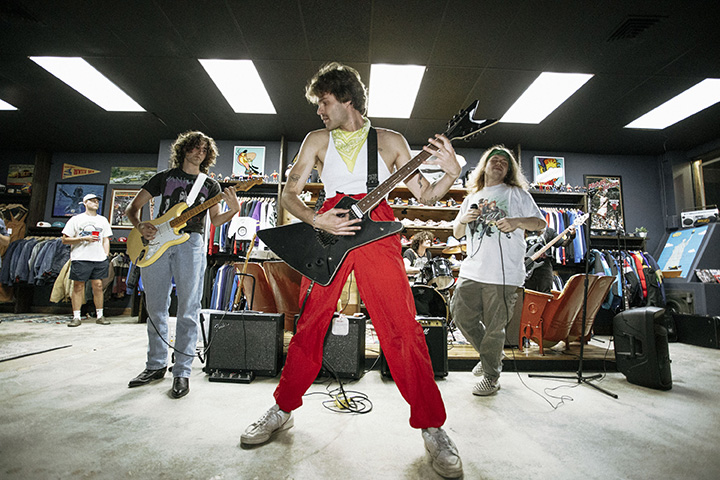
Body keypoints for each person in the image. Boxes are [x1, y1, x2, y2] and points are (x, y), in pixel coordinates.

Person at [240, 62, 464, 478]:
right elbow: (288, 194)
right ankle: (283, 408)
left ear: (347, 99)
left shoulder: (392, 140)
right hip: (329, 224)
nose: (320, 111)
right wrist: (315, 218)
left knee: (401, 327)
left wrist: (451, 174)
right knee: (309, 323)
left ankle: (432, 425)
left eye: (324, 102)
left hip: (376, 225)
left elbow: (427, 193)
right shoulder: (316, 140)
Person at [125, 131, 240, 399]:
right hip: (154, 245)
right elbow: (133, 208)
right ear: (184, 149)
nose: (199, 152)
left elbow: (217, 220)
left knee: (189, 308)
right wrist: (140, 226)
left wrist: (233, 210)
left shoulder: (210, 185)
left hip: (191, 244)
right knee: (155, 308)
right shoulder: (162, 178)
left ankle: (182, 371)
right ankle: (155, 365)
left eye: (203, 149)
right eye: (194, 147)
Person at [450, 145, 546, 396]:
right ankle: (491, 355)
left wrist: (516, 222)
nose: (500, 163)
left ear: (510, 169)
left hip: (503, 272)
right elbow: (456, 233)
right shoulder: (472, 196)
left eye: (505, 161)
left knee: (495, 326)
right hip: (472, 268)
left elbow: (540, 223)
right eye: (495, 159)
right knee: (460, 314)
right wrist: (463, 220)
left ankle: (491, 375)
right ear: (485, 165)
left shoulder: (518, 194)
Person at [61, 193, 113, 327]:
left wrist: (106, 254)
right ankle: (76, 316)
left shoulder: (102, 220)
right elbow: (65, 239)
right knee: (78, 286)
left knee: (99, 286)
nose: (95, 203)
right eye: (92, 201)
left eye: (97, 201)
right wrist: (83, 239)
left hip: (99, 257)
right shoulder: (76, 219)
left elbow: (106, 238)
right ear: (85, 203)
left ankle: (100, 316)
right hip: (81, 257)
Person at [524, 225, 576, 293]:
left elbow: (563, 243)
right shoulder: (521, 231)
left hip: (544, 265)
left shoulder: (548, 231)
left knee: (546, 292)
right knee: (527, 292)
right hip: (527, 265)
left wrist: (572, 236)